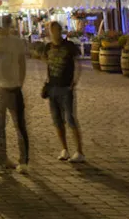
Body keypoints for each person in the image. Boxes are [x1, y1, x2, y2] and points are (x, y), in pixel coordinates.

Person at [0, 14, 29, 172]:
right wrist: (20, 83)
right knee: (19, 126)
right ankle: (23, 162)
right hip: (13, 87)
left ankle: (0, 160)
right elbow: (22, 65)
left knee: (0, 127)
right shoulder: (18, 42)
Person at [44, 21, 84, 162]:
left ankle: (79, 151)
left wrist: (75, 81)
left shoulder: (69, 46)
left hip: (66, 87)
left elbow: (78, 63)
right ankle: (65, 149)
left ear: (60, 31)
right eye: (51, 30)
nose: (54, 32)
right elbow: (47, 64)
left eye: (56, 29)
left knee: (70, 119)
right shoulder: (48, 47)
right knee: (57, 121)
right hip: (52, 87)